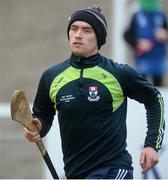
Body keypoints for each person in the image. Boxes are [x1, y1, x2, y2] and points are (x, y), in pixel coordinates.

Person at [24, 6, 165, 179]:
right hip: (75, 173)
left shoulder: (119, 73)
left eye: (87, 30)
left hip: (113, 170)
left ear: (98, 37)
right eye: (74, 29)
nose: (78, 35)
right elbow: (43, 115)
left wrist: (152, 145)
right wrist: (38, 126)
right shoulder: (51, 77)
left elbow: (154, 99)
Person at [124, 0, 168, 87]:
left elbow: (165, 32)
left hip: (158, 59)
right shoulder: (137, 14)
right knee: (142, 85)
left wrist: (164, 35)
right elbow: (127, 35)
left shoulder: (160, 14)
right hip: (142, 60)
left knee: (158, 87)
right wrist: (138, 43)